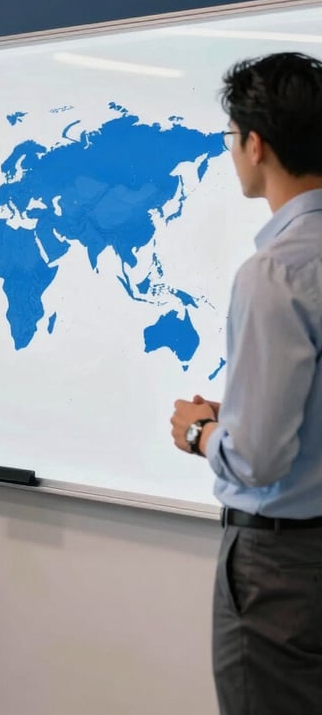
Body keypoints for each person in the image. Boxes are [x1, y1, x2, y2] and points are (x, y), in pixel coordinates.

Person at [169, 52, 322, 714]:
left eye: (233, 137)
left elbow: (258, 460)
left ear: (256, 144)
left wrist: (201, 432)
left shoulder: (276, 271)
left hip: (281, 574)